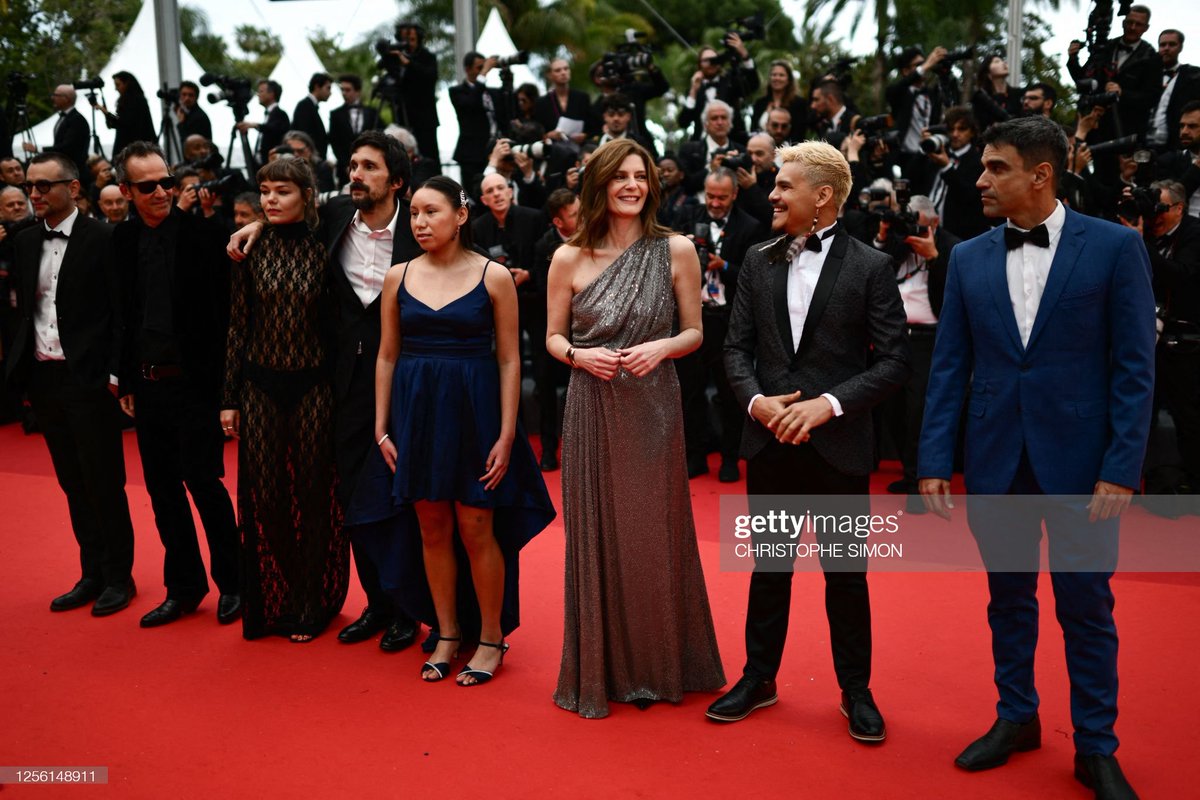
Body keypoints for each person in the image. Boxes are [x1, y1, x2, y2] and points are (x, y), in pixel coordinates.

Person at [918, 116, 1155, 799]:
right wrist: (935, 455)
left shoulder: (1113, 249)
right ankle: (1017, 716)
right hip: (998, 459)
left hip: (1084, 464)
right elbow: (950, 365)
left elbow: (1135, 368)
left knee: (1086, 607)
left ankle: (1096, 746)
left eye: (995, 168)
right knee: (1008, 600)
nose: (980, 179)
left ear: (1040, 175)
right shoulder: (966, 257)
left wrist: (1120, 466)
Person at [708, 141, 909, 742]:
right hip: (769, 442)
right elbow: (735, 348)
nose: (770, 194)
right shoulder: (754, 258)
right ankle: (758, 678)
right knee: (768, 572)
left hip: (838, 446)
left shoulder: (871, 266)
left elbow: (895, 361)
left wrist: (829, 405)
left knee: (846, 577)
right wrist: (756, 402)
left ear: (821, 196)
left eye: (783, 185)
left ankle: (856, 691)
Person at [347, 176, 554, 683]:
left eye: (431, 212)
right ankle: (445, 631)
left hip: (475, 411)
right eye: (414, 213)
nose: (419, 222)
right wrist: (380, 427)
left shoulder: (494, 275)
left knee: (477, 527)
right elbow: (387, 355)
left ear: (460, 216)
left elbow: (509, 360)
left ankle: (490, 637)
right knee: (431, 526)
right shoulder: (398, 276)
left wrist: (509, 435)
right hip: (415, 414)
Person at [546, 138, 726, 717]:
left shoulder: (676, 249)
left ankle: (660, 665)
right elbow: (550, 339)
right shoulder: (567, 257)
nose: (631, 185)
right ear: (597, 184)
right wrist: (579, 356)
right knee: (595, 534)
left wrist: (663, 348)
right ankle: (604, 670)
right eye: (620, 176)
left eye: (641, 176)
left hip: (652, 405)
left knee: (654, 534)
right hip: (591, 403)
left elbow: (696, 331)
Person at [228, 130, 425, 652]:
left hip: (408, 378)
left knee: (405, 496)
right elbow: (283, 214)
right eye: (352, 165)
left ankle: (411, 609)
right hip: (344, 382)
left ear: (397, 181)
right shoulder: (335, 218)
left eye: (368, 167)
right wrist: (251, 225)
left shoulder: (420, 227)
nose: (355, 174)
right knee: (353, 495)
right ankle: (377, 604)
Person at [112, 141, 241, 628]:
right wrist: (123, 378)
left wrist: (228, 392)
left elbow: (228, 320)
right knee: (163, 490)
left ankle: (234, 583)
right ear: (126, 190)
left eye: (167, 181)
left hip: (196, 384)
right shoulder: (121, 242)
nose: (163, 192)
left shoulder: (206, 237)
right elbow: (121, 316)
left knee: (204, 483)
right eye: (148, 186)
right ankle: (184, 587)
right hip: (147, 387)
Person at [4, 153, 137, 616]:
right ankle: (92, 573)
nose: (34, 194)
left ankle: (120, 578)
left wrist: (116, 376)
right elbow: (26, 310)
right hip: (44, 378)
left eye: (44, 186)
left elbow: (122, 315)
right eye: (30, 186)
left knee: (104, 482)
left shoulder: (105, 238)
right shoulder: (22, 242)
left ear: (74, 189)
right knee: (72, 483)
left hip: (91, 379)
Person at [221, 157, 347, 641]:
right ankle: (292, 587)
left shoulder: (326, 246)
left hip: (314, 384)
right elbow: (237, 324)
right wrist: (228, 396)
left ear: (306, 196)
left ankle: (313, 597)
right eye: (265, 191)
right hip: (258, 385)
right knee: (266, 496)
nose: (271, 200)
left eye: (282, 192)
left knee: (315, 495)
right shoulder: (249, 249)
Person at [674, 167, 767, 481]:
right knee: (690, 393)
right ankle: (695, 456)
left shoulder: (751, 226)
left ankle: (729, 458)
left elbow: (756, 276)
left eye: (722, 197)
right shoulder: (684, 217)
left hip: (728, 323)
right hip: (689, 319)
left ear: (735, 194)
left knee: (730, 396)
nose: (714, 203)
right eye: (710, 196)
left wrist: (722, 264)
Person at [531, 188, 581, 470]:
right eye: (575, 215)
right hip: (550, 328)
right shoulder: (544, 246)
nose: (583, 217)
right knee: (546, 390)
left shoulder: (593, 238)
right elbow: (542, 290)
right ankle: (549, 449)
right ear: (559, 222)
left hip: (587, 328)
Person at [678, 39, 760, 141]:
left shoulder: (730, 82)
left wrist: (745, 56)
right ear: (699, 64)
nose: (710, 63)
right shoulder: (694, 90)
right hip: (701, 145)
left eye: (714, 59)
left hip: (732, 141)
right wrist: (693, 91)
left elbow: (753, 84)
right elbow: (683, 122)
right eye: (706, 60)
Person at [449, 52, 501, 198]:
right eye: (479, 67)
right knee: (473, 195)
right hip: (471, 154)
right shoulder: (457, 91)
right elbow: (470, 103)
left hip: (493, 150)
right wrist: (483, 74)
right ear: (467, 69)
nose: (483, 70)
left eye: (484, 67)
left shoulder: (492, 92)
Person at [22, 86, 89, 179]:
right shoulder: (64, 117)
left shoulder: (77, 120)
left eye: (56, 95)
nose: (52, 98)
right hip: (65, 169)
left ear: (66, 99)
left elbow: (68, 147)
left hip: (74, 172)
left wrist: (38, 149)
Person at [329, 74, 381, 187]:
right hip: (344, 168)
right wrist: (346, 164)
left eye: (348, 90)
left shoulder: (372, 113)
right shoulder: (335, 114)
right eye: (342, 90)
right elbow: (334, 141)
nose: (344, 93)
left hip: (369, 164)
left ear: (357, 91)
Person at [534, 58, 591, 146]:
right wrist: (548, 135)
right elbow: (537, 132)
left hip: (580, 149)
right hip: (553, 150)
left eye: (566, 69)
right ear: (550, 75)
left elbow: (593, 125)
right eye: (558, 70)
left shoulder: (582, 97)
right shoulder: (542, 102)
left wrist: (585, 135)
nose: (563, 73)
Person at [98, 72, 156, 156]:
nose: (116, 89)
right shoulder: (129, 101)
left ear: (127, 84)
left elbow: (125, 123)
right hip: (133, 147)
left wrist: (106, 113)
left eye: (118, 85)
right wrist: (105, 113)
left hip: (135, 148)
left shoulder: (136, 101)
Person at [237, 80, 290, 169]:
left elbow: (273, 129)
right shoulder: (268, 115)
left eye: (261, 91)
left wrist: (255, 125)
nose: (258, 94)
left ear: (271, 94)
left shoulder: (281, 114)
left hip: (272, 165)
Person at [751, 60, 807, 140]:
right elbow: (753, 130)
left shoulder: (799, 103)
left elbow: (799, 133)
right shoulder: (760, 103)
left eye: (781, 75)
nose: (777, 78)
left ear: (788, 80)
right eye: (774, 75)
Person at [973, 55, 1022, 132]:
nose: (1003, 63)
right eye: (996, 61)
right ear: (987, 72)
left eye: (1003, 61)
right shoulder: (981, 97)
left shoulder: (1017, 94)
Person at [291, 72, 332, 162]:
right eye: (328, 88)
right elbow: (304, 134)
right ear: (317, 87)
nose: (330, 92)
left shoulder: (310, 106)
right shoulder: (305, 105)